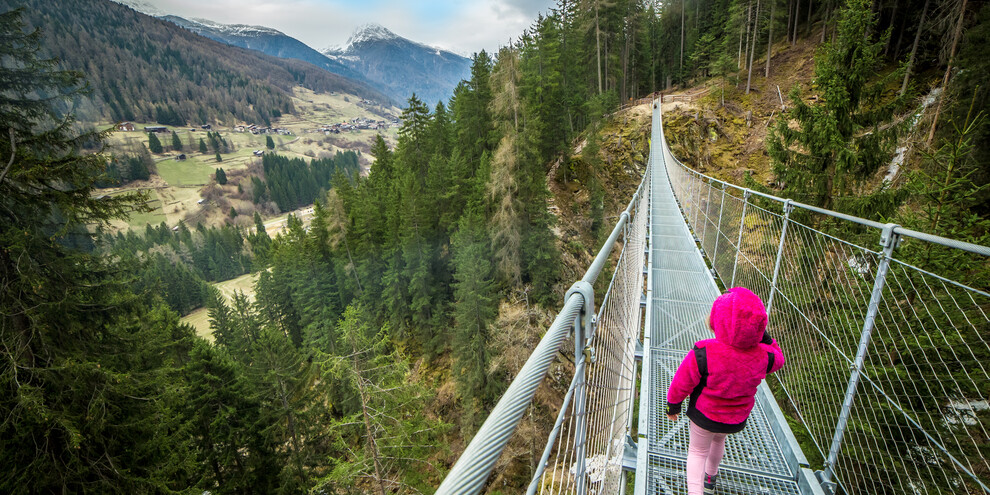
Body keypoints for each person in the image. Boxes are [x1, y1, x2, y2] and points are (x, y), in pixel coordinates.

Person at [666, 287, 785, 495]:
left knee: (697, 451)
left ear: (716, 321)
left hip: (704, 416)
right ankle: (710, 478)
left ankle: (696, 491)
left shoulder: (703, 352)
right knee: (718, 440)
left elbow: (681, 383)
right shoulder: (764, 356)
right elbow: (779, 357)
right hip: (734, 419)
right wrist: (764, 337)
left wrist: (673, 406)